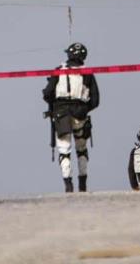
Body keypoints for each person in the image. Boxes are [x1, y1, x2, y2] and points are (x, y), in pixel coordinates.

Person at [43, 42, 100, 192]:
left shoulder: (58, 71)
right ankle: (83, 184)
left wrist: (55, 104)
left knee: (64, 150)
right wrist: (84, 109)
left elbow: (47, 94)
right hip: (80, 114)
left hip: (61, 114)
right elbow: (95, 100)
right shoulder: (88, 73)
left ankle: (68, 185)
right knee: (81, 149)